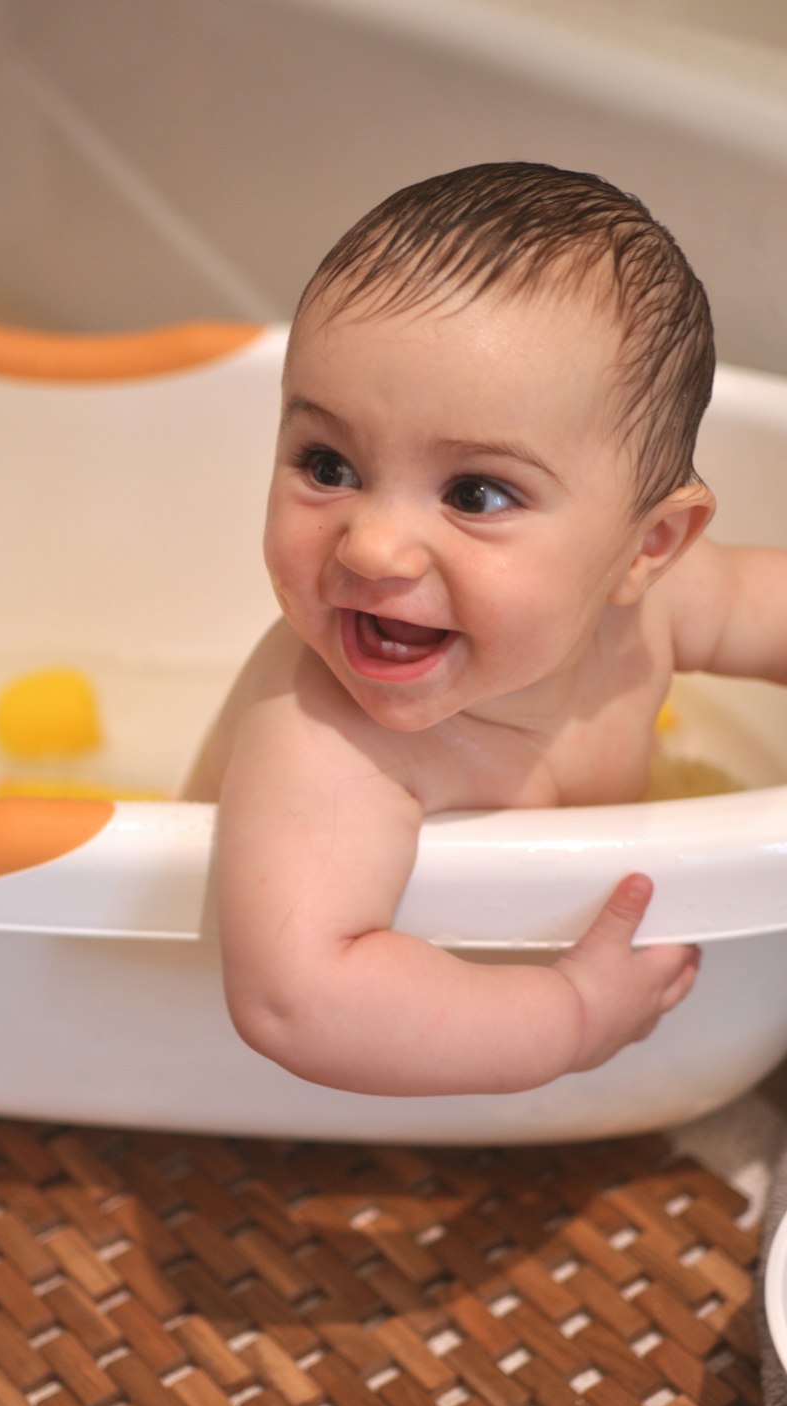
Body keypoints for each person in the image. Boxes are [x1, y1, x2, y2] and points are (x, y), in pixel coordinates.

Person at [182, 161, 786, 1097]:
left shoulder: (650, 606)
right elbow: (296, 1001)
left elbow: (766, 603)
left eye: (475, 493)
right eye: (327, 463)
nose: (374, 546)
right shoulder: (325, 738)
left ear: (646, 546)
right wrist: (572, 1017)